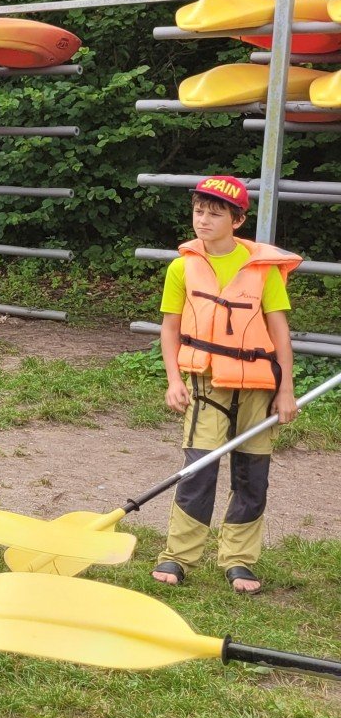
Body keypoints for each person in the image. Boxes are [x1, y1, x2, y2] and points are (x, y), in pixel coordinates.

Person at [153, 175, 298, 594]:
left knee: (252, 475)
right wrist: (174, 380)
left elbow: (280, 333)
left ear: (237, 220)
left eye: (215, 214)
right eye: (199, 211)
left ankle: (239, 560)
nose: (203, 220)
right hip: (206, 384)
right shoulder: (182, 267)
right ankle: (179, 555)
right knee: (198, 469)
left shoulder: (264, 272)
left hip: (258, 388)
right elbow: (170, 329)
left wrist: (285, 390)